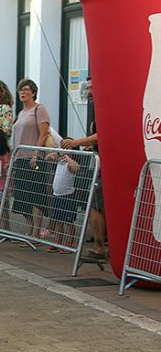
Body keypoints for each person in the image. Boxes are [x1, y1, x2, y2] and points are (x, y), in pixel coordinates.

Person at [61, 76, 107, 260]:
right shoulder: (99, 109)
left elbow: (105, 134)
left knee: (95, 207)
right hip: (100, 163)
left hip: (106, 167)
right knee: (97, 206)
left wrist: (76, 143)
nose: (89, 92)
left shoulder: (106, 108)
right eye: (87, 88)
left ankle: (99, 248)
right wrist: (90, 146)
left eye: (92, 87)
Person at [11, 78, 53, 240]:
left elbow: (43, 133)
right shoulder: (21, 113)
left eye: (26, 89)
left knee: (36, 195)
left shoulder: (39, 109)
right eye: (21, 90)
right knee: (23, 196)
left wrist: (36, 153)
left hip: (33, 159)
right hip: (20, 158)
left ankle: (36, 232)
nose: (23, 92)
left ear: (33, 93)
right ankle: (29, 230)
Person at [43, 147, 80, 253]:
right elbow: (47, 158)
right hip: (57, 195)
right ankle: (58, 242)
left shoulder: (70, 164)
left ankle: (69, 242)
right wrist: (53, 154)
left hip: (67, 195)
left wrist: (67, 157)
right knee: (58, 221)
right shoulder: (60, 162)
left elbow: (76, 168)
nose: (64, 151)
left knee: (68, 221)